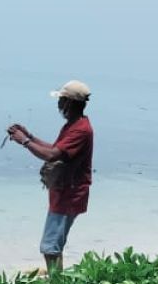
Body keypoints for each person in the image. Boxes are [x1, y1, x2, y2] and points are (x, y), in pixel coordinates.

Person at [6, 80, 94, 272]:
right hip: (64, 192)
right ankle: (58, 282)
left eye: (61, 100)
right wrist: (30, 136)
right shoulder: (74, 124)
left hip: (69, 194)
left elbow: (51, 155)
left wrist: (25, 141)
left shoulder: (80, 129)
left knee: (50, 247)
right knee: (53, 245)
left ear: (69, 103)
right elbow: (56, 149)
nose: (58, 104)